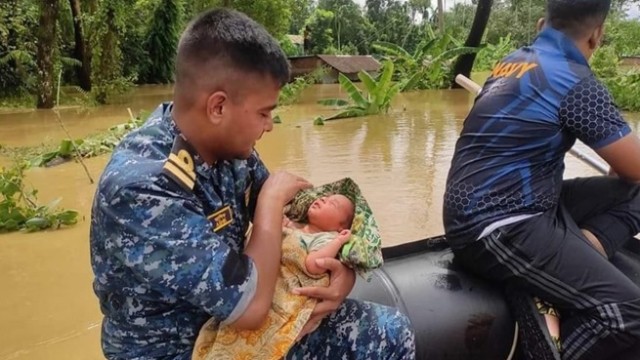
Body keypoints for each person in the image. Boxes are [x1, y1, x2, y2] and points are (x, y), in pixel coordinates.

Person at [89, 8, 415, 360]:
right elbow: (250, 308)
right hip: (177, 350)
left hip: (234, 328)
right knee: (386, 336)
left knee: (391, 328)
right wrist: (271, 200)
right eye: (263, 113)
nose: (270, 125)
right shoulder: (141, 187)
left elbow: (302, 217)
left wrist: (344, 276)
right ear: (218, 107)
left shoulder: (229, 152)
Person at [443, 1, 640, 359]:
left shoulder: (510, 62)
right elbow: (633, 167)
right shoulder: (575, 81)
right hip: (496, 225)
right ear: (597, 36)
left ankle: (585, 248)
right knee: (630, 312)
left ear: (540, 24)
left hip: (526, 200)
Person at [193, 194, 359, 359]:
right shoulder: (295, 225)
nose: (323, 199)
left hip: (287, 291)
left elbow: (314, 265)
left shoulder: (326, 238)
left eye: (333, 204)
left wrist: (339, 244)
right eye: (325, 197)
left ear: (340, 228)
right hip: (249, 294)